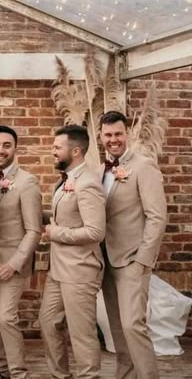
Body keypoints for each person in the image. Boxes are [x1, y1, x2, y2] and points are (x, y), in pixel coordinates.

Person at [98, 111, 167, 378]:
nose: (113, 140)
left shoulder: (143, 165)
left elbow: (157, 216)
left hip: (131, 261)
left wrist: (143, 260)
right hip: (105, 260)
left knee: (132, 326)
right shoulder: (99, 169)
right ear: (101, 136)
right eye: (108, 135)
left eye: (118, 134)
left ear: (127, 134)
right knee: (117, 330)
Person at [39, 125, 106, 379]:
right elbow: (64, 216)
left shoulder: (88, 184)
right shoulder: (66, 179)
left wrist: (55, 233)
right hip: (58, 270)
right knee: (47, 323)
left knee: (81, 335)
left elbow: (94, 232)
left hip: (80, 271)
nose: (52, 151)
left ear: (76, 151)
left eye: (58, 147)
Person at [0, 126, 42, 379]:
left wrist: (14, 263)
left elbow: (34, 230)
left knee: (5, 316)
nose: (0, 150)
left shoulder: (26, 182)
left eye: (7, 145)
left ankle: (18, 374)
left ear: (15, 148)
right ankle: (4, 370)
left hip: (12, 263)